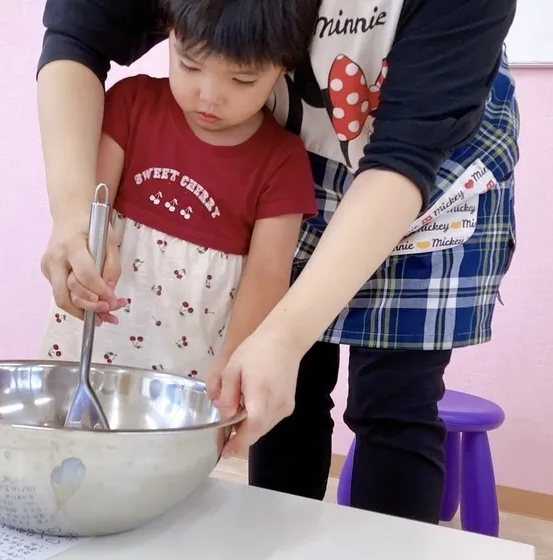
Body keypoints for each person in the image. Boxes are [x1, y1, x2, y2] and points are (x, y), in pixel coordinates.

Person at [36, 0, 519, 525]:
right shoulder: (255, 136)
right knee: (284, 395)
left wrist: (283, 337)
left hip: (428, 171)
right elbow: (77, 37)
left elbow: (403, 159)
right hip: (285, 139)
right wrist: (72, 215)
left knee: (395, 404)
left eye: (240, 77)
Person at [39, 0, 318, 382]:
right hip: (90, 349)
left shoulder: (283, 163)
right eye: (189, 65)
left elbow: (266, 279)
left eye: (242, 80)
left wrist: (234, 370)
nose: (209, 96)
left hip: (193, 372)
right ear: (168, 31)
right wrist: (81, 278)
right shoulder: (131, 105)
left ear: (285, 66)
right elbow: (91, 222)